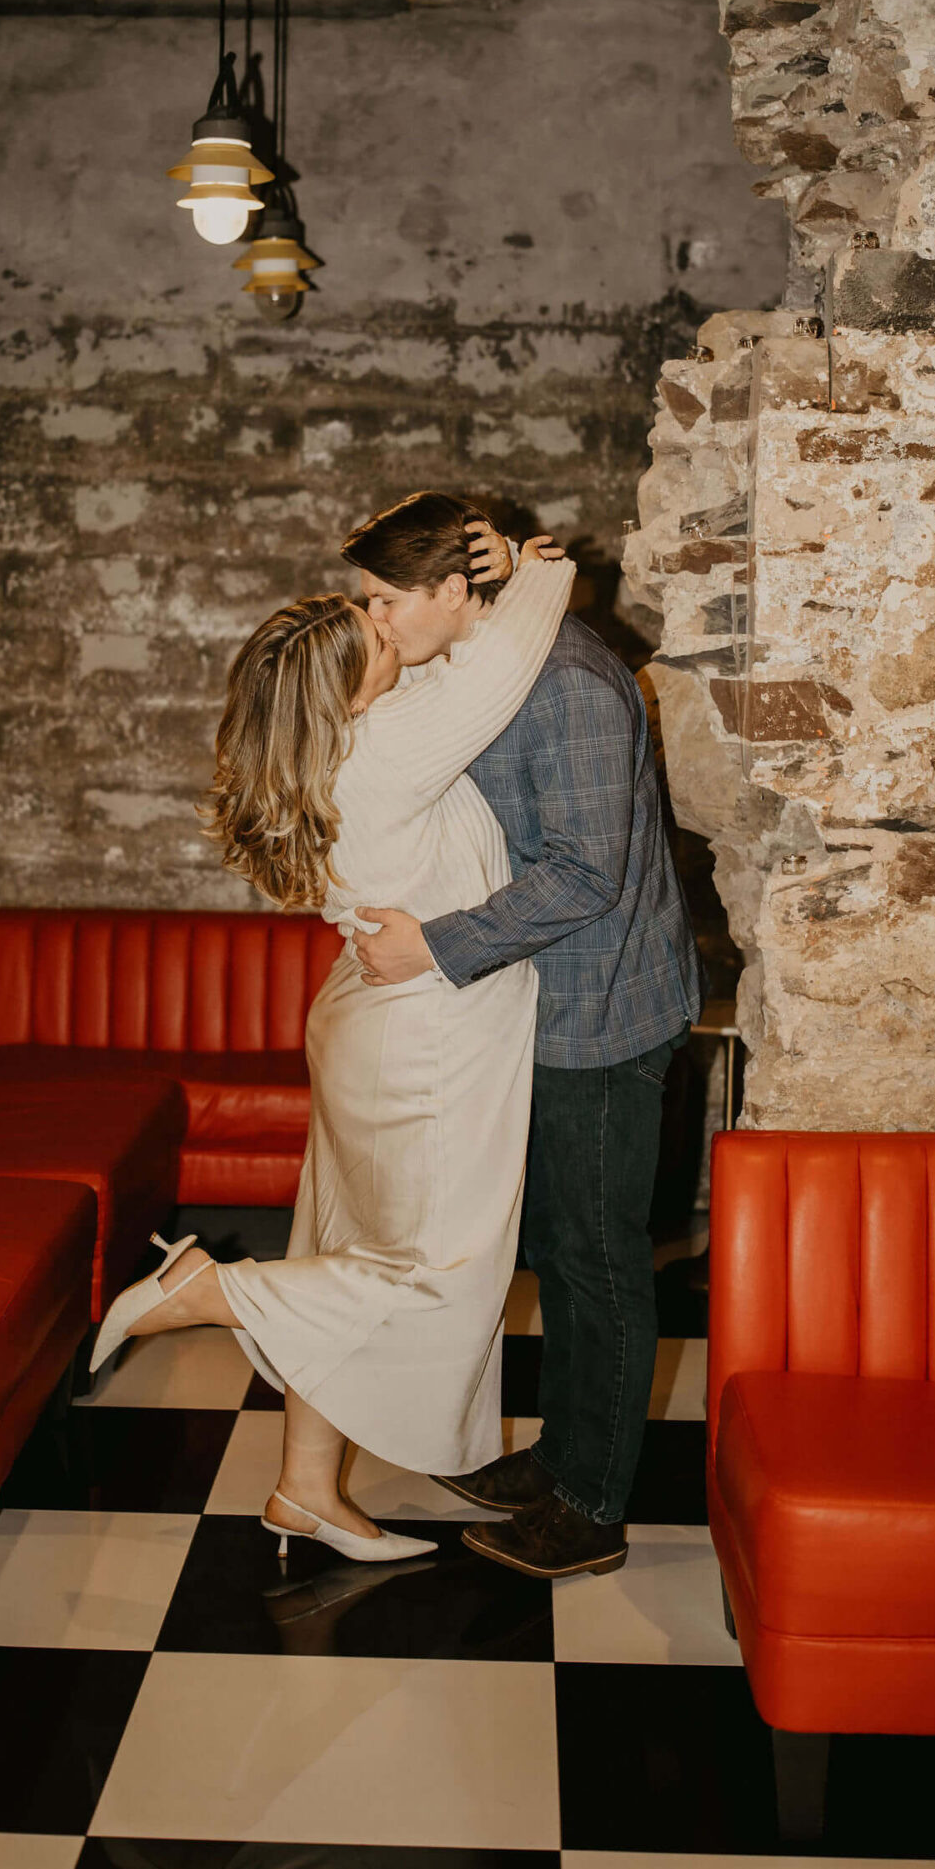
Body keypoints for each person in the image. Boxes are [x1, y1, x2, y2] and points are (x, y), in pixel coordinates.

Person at [88, 525, 575, 1567]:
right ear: (349, 691)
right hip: (430, 1042)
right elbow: (507, 652)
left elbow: (445, 669)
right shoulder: (391, 744)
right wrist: (534, 565)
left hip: (370, 1016)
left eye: (379, 611)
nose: (393, 628)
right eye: (376, 633)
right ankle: (208, 1291)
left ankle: (306, 1489)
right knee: (436, 1272)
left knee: (341, 1248)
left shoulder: (330, 745)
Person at [344, 491, 701, 1583]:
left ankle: (592, 1505)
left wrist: (437, 946)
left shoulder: (570, 686)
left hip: (602, 1013)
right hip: (538, 1005)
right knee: (557, 1247)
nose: (370, 621)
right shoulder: (489, 662)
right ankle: (563, 1453)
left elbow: (589, 873)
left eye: (382, 600)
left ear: (456, 591)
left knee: (598, 1263)